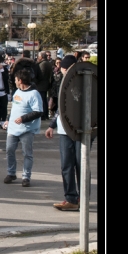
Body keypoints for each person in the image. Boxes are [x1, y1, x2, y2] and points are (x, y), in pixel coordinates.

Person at [44, 55, 94, 210]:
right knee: (66, 165)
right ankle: (70, 198)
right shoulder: (63, 82)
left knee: (81, 164)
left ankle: (83, 198)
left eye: (64, 68)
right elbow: (61, 107)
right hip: (64, 131)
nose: (62, 71)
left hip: (81, 131)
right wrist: (52, 125)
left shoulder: (86, 81)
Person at [3, 68, 43, 187]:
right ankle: (11, 173)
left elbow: (38, 111)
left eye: (15, 79)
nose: (14, 81)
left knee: (27, 153)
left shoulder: (34, 94)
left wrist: (23, 118)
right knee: (9, 150)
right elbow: (14, 108)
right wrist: (8, 119)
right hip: (13, 128)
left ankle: (26, 177)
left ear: (20, 80)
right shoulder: (17, 92)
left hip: (27, 129)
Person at [35, 52, 53, 120]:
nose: (37, 58)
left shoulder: (43, 64)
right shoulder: (47, 63)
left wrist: (36, 81)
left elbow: (41, 75)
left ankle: (43, 115)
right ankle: (45, 114)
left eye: (38, 56)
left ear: (41, 57)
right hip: (44, 85)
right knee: (44, 100)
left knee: (42, 100)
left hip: (41, 85)